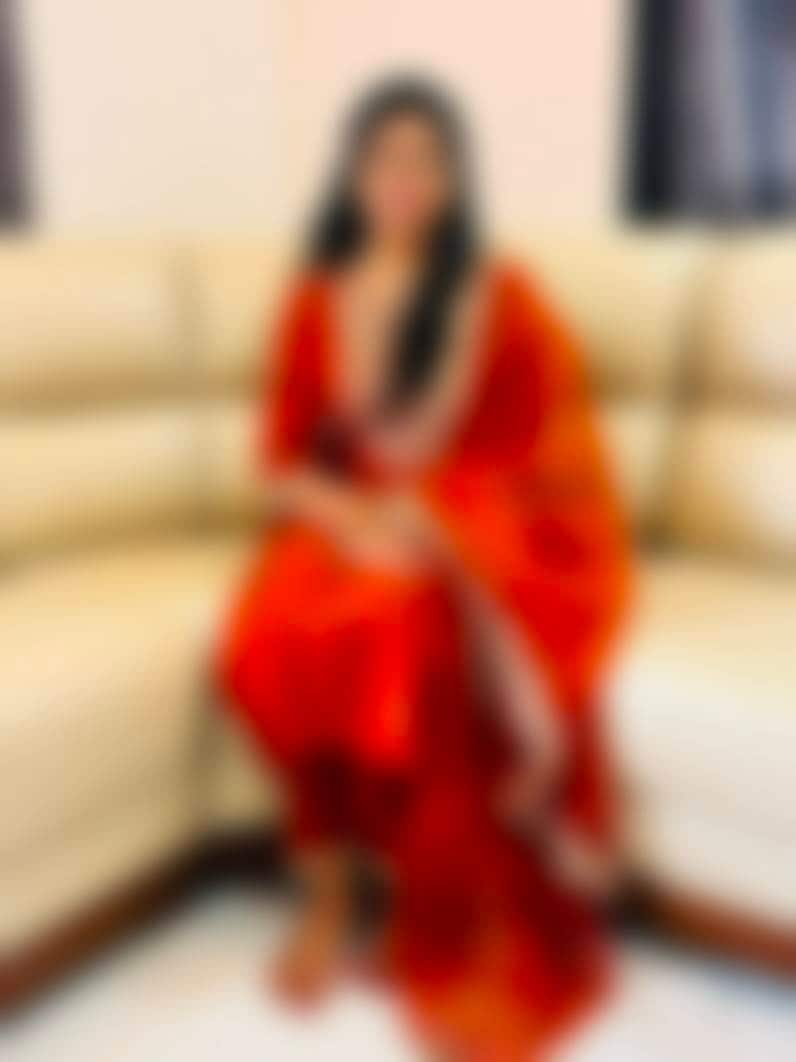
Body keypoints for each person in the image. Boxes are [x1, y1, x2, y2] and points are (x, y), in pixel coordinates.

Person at [219, 76, 630, 1059]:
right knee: (266, 635)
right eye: (385, 157)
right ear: (354, 176)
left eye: (425, 159)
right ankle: (327, 892)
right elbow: (280, 464)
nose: (404, 177)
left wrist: (435, 520)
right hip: (346, 525)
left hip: (460, 538)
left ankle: (428, 902)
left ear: (452, 181)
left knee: (404, 626)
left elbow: (543, 457)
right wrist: (356, 519)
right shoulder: (317, 298)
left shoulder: (502, 297)